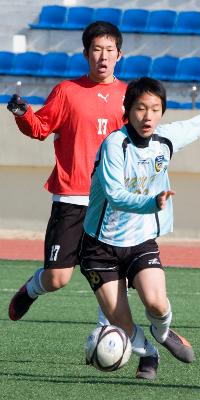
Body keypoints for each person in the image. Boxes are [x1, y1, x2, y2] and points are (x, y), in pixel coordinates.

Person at [79, 77, 200, 380]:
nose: (147, 116)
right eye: (140, 108)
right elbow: (114, 195)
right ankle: (148, 354)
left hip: (139, 241)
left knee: (157, 303)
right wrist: (152, 203)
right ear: (128, 110)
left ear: (162, 111)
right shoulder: (115, 144)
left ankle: (162, 333)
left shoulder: (165, 140)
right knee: (121, 322)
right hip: (100, 246)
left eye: (154, 108)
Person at [7, 21, 126, 325]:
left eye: (109, 50)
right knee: (58, 278)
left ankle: (106, 333)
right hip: (72, 196)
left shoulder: (129, 97)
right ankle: (33, 289)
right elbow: (39, 128)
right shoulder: (67, 91)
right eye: (97, 49)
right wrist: (23, 114)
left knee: (112, 276)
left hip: (113, 200)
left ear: (119, 55)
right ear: (86, 53)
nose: (103, 56)